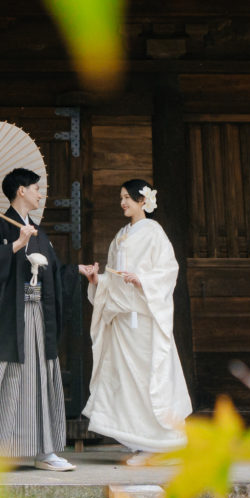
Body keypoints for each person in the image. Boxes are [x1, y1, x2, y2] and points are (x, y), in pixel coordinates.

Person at [78, 179, 191, 465]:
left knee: (146, 380)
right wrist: (97, 280)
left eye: (128, 197)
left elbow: (168, 271)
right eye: (121, 198)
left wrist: (143, 280)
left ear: (144, 201)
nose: (123, 203)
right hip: (123, 323)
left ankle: (159, 444)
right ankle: (140, 442)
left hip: (143, 319)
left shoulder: (155, 233)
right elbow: (115, 278)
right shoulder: (121, 235)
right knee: (126, 383)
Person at [0, 166, 76, 471]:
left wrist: (76, 271)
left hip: (37, 314)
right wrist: (15, 245)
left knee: (39, 378)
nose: (40, 194)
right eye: (37, 189)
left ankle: (45, 451)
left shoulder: (37, 230)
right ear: (22, 191)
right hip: (9, 317)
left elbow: (53, 272)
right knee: (1, 379)